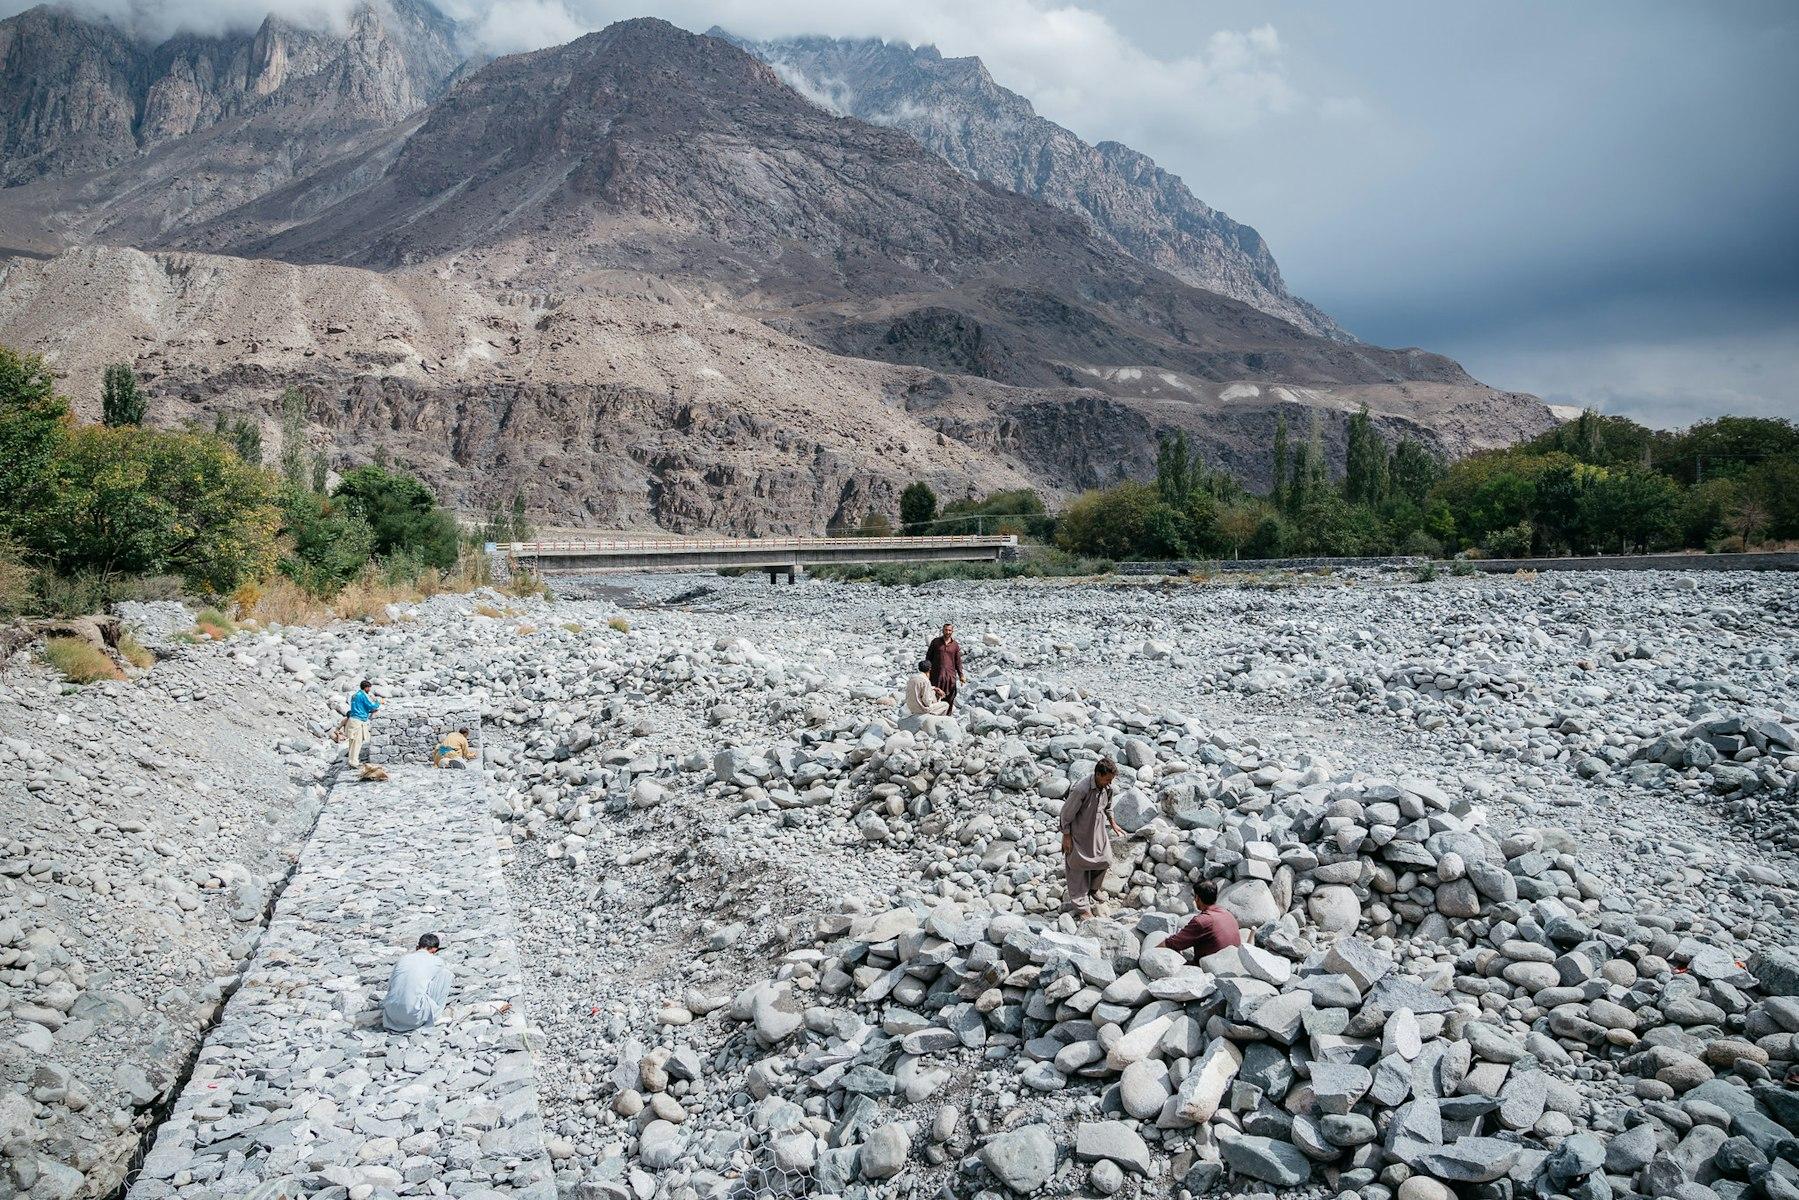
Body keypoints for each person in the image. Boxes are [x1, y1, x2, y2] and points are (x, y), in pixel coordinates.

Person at [1059, 757, 1122, 917]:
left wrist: (1113, 823)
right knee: (1077, 867)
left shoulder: (1107, 787)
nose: (1109, 783)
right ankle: (1082, 908)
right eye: (1107, 779)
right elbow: (1066, 814)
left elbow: (1108, 806)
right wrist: (1066, 835)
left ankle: (1093, 888)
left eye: (1111, 780)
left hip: (1098, 831)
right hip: (1079, 833)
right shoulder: (1081, 789)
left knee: (1105, 859)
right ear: (1098, 775)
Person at [382, 933, 452, 1032]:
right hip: (413, 1018)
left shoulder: (403, 959)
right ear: (434, 950)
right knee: (445, 974)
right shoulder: (436, 961)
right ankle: (436, 1016)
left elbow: (391, 985)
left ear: (417, 947)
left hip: (391, 1016)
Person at [1161, 880, 1243, 963]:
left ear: (1197, 898)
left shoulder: (1201, 921)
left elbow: (1173, 943)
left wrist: (1152, 951)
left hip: (1209, 969)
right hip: (1234, 963)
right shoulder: (1228, 914)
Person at [925, 623, 965, 714]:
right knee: (935, 695)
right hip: (936, 675)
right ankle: (933, 716)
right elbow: (928, 657)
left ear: (952, 631)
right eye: (946, 630)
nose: (948, 632)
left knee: (950, 696)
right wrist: (927, 671)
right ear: (943, 630)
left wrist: (961, 675)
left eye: (949, 630)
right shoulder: (935, 642)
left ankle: (947, 716)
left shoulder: (955, 645)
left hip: (950, 676)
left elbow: (958, 661)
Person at [345, 680, 380, 767]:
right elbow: (371, 706)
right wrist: (377, 702)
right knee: (357, 742)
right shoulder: (363, 695)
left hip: (352, 720)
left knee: (352, 742)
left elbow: (360, 707)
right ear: (366, 688)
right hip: (358, 721)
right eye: (369, 688)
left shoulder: (354, 695)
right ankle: (354, 762)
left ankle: (351, 760)